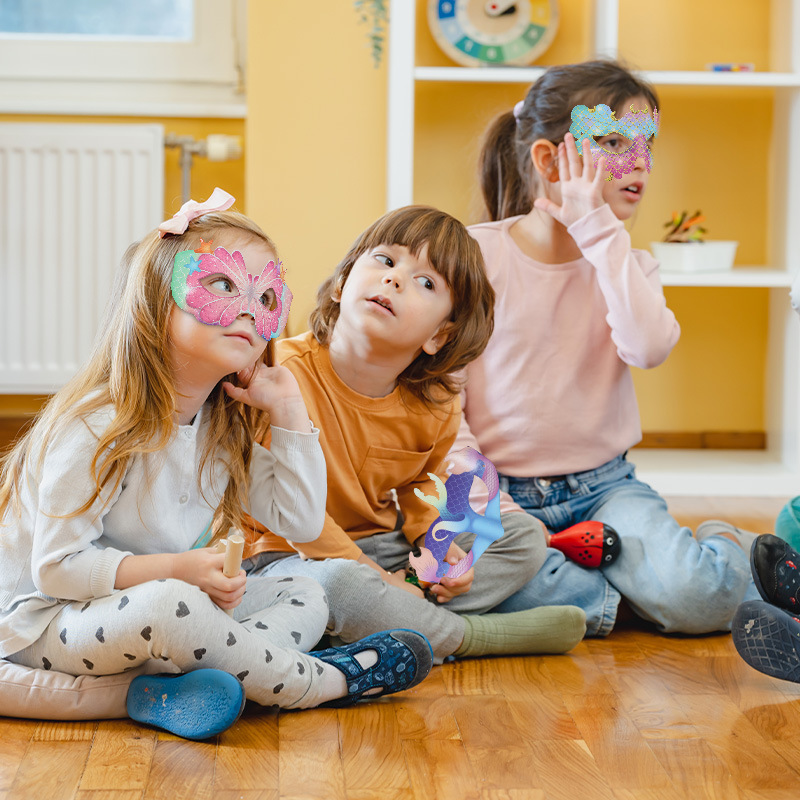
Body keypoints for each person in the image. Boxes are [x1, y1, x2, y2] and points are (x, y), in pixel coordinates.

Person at [0, 190, 432, 737]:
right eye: (223, 285)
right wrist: (179, 572)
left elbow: (299, 523)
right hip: (49, 625)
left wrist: (291, 411)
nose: (249, 309)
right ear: (158, 301)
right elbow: (56, 570)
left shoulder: (218, 432)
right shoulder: (95, 427)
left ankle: (199, 683)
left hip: (166, 624)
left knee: (304, 587)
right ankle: (325, 682)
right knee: (170, 604)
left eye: (266, 295)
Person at [453, 59, 759, 637]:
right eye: (614, 141)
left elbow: (647, 348)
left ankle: (723, 548)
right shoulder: (474, 257)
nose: (639, 162)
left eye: (647, 144)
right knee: (456, 586)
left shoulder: (630, 265)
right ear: (548, 160)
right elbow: (443, 404)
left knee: (700, 601)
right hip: (492, 491)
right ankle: (621, 590)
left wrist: (599, 232)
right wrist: (505, 515)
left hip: (604, 490)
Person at [246, 204, 587, 660]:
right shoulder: (278, 377)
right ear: (344, 282)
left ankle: (382, 626)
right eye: (385, 261)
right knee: (342, 586)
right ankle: (466, 638)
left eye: (426, 283)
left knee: (521, 536)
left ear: (439, 337)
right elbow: (286, 517)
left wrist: (436, 549)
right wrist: (374, 576)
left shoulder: (437, 402)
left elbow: (419, 487)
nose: (395, 280)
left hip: (379, 548)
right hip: (282, 554)